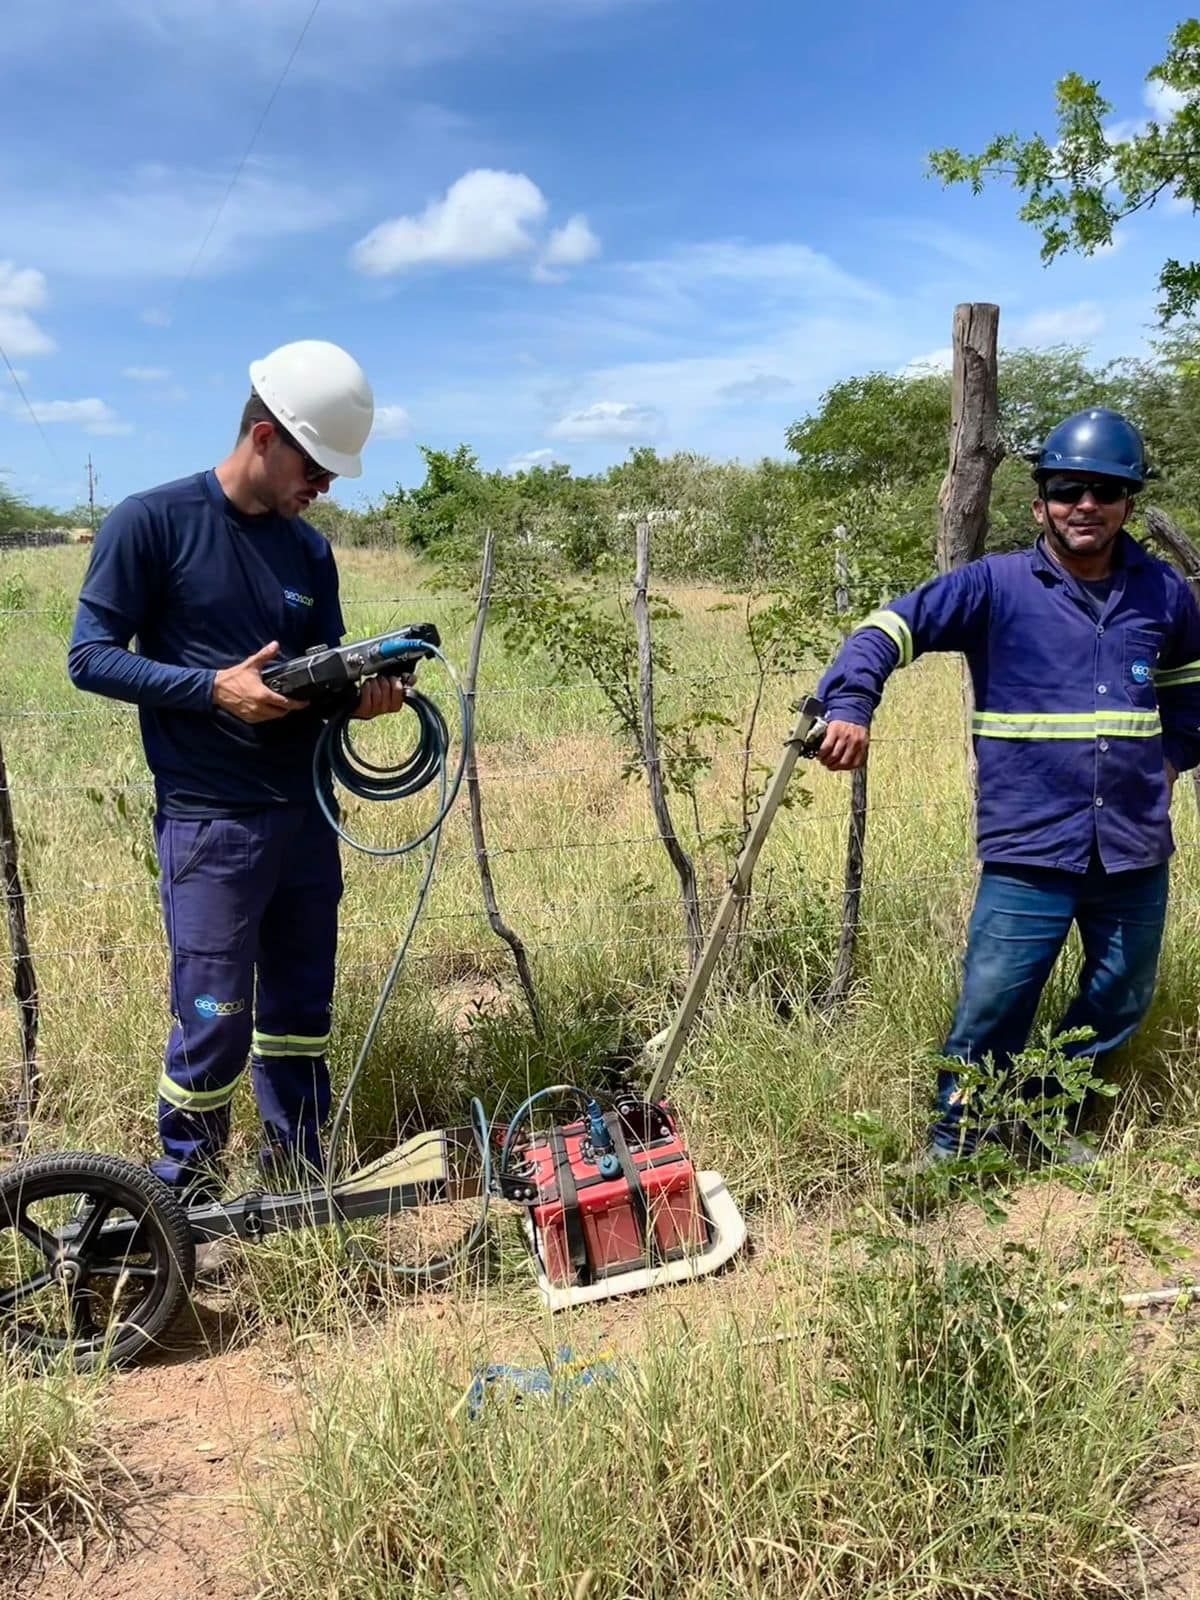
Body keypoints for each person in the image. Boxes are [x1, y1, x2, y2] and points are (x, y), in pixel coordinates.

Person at [814, 408, 1200, 1163]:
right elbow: (887, 629)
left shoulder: (1163, 593)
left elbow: (1190, 688)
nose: (1085, 505)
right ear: (1039, 504)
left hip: (1133, 847)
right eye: (1067, 490)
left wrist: (1171, 758)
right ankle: (957, 1143)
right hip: (1030, 846)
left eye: (1104, 491)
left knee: (1121, 996)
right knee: (995, 1003)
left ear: (1128, 503)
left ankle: (1048, 1120)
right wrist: (852, 704)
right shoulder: (995, 586)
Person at [67, 339, 405, 1200]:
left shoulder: (310, 553)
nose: (322, 487)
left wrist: (361, 697)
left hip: (304, 817)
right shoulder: (152, 522)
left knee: (299, 1013)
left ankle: (296, 1180)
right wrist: (213, 688)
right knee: (213, 1020)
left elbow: (322, 672)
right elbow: (89, 657)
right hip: (211, 822)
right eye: (314, 467)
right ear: (263, 437)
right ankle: (183, 1198)